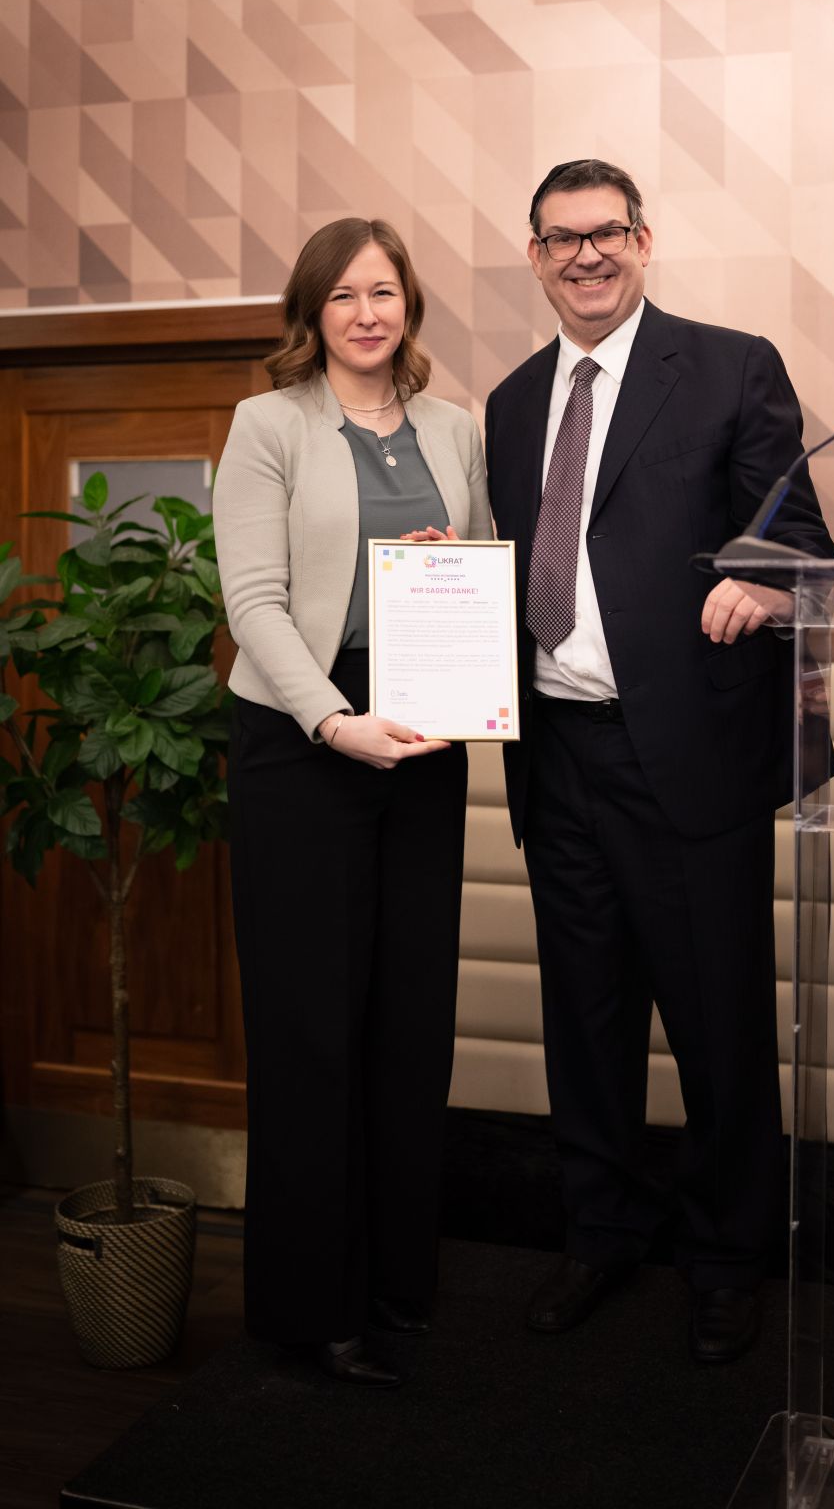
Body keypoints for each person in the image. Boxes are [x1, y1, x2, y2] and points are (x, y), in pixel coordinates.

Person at [484, 158, 834, 1363]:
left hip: (684, 757)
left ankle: (728, 1256)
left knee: (718, 1020)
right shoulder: (512, 400)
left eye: (607, 233)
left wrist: (760, 576)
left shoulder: (732, 365)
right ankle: (601, 1232)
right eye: (561, 238)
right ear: (534, 256)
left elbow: (801, 536)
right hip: (556, 751)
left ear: (645, 240)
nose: (586, 255)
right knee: (582, 1019)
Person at [214, 217, 492, 1385]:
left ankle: (395, 1281)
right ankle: (307, 1305)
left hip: (423, 731)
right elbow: (256, 599)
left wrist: (442, 553)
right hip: (299, 737)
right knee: (312, 1027)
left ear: (408, 305)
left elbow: (477, 562)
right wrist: (333, 718)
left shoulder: (455, 426)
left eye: (385, 291)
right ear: (312, 313)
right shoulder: (267, 424)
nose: (367, 312)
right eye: (344, 296)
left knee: (410, 1015)